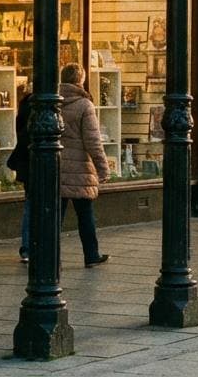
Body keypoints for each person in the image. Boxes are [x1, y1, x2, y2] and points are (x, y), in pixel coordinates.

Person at [59, 62, 111, 267]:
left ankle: (50, 256)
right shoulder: (84, 105)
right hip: (80, 167)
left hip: (57, 166)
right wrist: (103, 168)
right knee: (85, 215)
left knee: (55, 217)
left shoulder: (53, 101)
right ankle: (91, 255)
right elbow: (93, 141)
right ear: (81, 80)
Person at [4, 89, 35, 263]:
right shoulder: (41, 105)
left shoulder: (25, 104)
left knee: (30, 205)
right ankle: (31, 247)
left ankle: (27, 247)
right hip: (35, 161)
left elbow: (19, 130)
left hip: (26, 162)